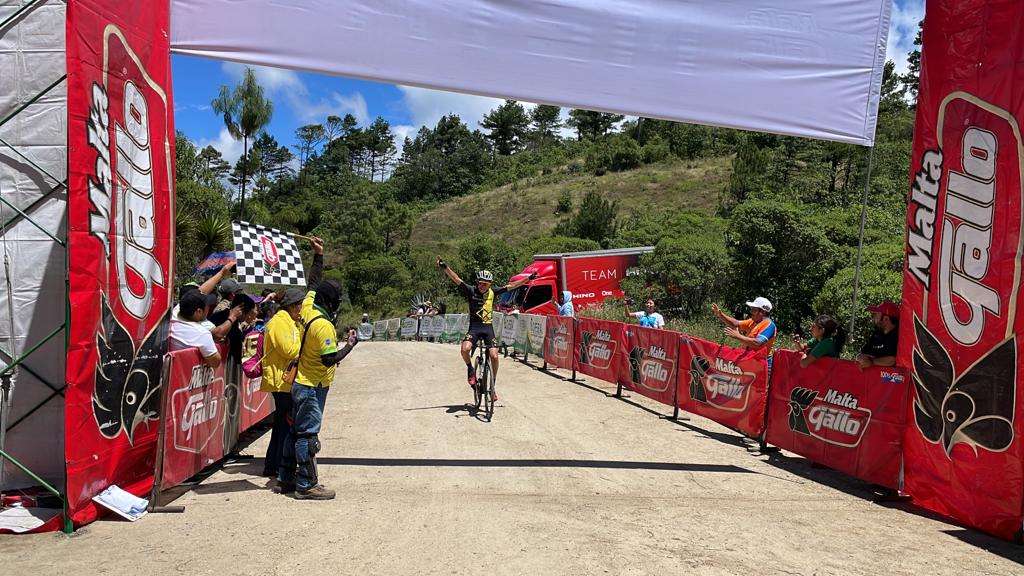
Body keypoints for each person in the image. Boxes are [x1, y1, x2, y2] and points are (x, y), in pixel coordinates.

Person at [281, 237, 359, 500]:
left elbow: (312, 283)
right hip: (313, 386)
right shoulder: (323, 325)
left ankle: (286, 477)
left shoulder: (307, 307)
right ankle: (306, 485)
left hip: (300, 382)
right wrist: (350, 345)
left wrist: (319, 255)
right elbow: (329, 359)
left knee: (296, 431)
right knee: (308, 435)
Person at [437, 257, 533, 398]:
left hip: (488, 329)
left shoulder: (493, 291)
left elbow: (512, 286)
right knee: (465, 349)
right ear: (477, 283)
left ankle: (492, 385)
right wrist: (445, 267)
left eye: (485, 284)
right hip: (474, 328)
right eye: (480, 283)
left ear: (490, 284)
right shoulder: (471, 290)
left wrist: (528, 279)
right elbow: (456, 279)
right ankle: (470, 369)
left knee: (494, 356)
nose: (482, 286)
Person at [260, 288, 305, 481]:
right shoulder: (279, 322)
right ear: (293, 306)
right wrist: (307, 348)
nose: (302, 309)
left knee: (281, 424)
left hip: (285, 380)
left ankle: (273, 464)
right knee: (286, 424)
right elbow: (288, 349)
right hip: (281, 380)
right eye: (300, 306)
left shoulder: (290, 322)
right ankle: (280, 466)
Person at [712, 297, 777, 363]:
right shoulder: (753, 321)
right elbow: (735, 323)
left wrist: (738, 336)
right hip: (749, 360)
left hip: (761, 364)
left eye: (754, 310)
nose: (751, 312)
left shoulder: (769, 325)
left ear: (763, 312)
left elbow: (757, 343)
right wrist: (720, 315)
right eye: (751, 309)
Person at [169, 290, 222, 368]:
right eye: (207, 306)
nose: (208, 309)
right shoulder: (202, 333)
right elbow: (215, 362)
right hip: (185, 377)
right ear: (199, 311)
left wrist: (219, 276)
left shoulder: (174, 315)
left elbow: (203, 288)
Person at [856, 300, 899, 370]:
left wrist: (871, 362)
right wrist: (860, 358)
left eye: (876, 315)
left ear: (886, 319)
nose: (873, 319)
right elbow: (862, 353)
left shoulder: (897, 336)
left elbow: (892, 360)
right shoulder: (877, 334)